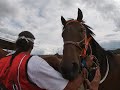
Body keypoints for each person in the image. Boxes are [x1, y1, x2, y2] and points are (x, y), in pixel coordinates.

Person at [0, 31, 101, 90]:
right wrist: (86, 66)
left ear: (17, 44)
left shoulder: (2, 61)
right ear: (32, 45)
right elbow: (69, 87)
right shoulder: (34, 63)